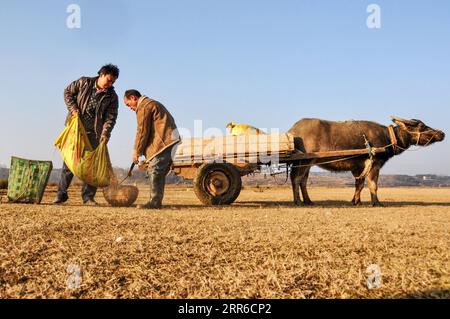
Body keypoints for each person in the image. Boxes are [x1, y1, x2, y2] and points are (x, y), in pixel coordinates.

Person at [54, 64, 120, 206]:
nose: (110, 84)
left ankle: (88, 197)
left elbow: (111, 117)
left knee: (93, 166)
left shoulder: (112, 97)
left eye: (113, 82)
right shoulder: (84, 82)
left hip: (95, 134)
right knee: (69, 163)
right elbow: (67, 92)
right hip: (76, 131)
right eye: (109, 80)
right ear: (101, 75)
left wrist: (105, 133)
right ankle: (61, 194)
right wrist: (73, 109)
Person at [123, 90, 180, 209]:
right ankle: (156, 201)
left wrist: (136, 151)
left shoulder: (144, 106)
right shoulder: (152, 103)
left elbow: (142, 131)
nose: (129, 108)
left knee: (155, 170)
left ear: (133, 98)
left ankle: (154, 202)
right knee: (158, 172)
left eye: (128, 104)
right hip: (169, 140)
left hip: (163, 142)